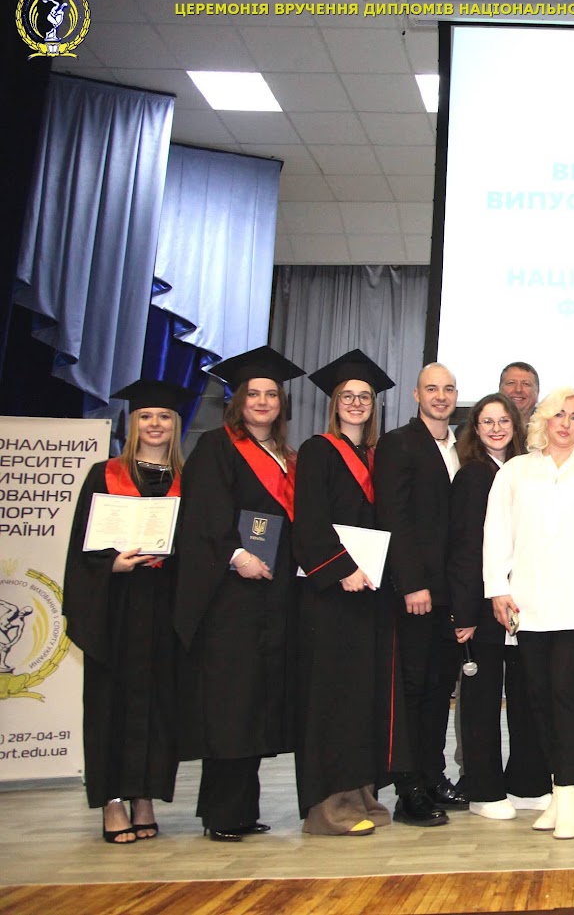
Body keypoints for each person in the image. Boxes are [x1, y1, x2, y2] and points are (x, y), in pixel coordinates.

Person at [174, 346, 305, 841]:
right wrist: (235, 555)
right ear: (238, 401)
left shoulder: (288, 458)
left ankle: (243, 808)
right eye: (254, 393)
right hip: (230, 598)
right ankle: (222, 813)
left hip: (273, 598)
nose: (264, 401)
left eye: (272, 394)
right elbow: (204, 515)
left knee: (255, 703)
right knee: (230, 703)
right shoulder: (217, 447)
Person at [485, 387, 574, 839]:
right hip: (527, 603)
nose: (566, 423)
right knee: (538, 700)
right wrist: (497, 588)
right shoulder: (515, 470)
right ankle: (557, 792)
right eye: (559, 415)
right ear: (543, 419)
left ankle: (568, 798)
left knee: (568, 695)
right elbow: (496, 533)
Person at [65, 379, 193, 843]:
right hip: (116, 608)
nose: (155, 424)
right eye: (146, 416)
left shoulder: (188, 479)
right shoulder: (104, 475)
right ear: (132, 422)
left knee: (161, 705)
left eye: (164, 417)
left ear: (175, 425)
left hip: (164, 605)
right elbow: (80, 547)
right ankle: (112, 801)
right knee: (110, 704)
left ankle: (145, 797)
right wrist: (111, 564)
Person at [292, 350, 406, 836]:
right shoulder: (318, 451)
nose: (357, 403)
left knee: (364, 697)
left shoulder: (377, 457)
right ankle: (327, 806)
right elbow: (309, 521)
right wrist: (341, 569)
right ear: (334, 403)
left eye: (364, 397)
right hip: (332, 596)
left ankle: (360, 793)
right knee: (332, 697)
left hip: (370, 595)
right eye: (348, 396)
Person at [447, 393, 551, 820]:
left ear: (516, 425)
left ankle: (527, 783)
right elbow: (465, 548)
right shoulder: (473, 476)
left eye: (503, 420)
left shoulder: (527, 472)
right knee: (483, 701)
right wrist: (465, 613)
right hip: (484, 606)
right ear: (475, 428)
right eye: (487, 421)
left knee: (527, 697)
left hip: (525, 605)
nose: (496, 428)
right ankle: (484, 790)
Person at [374, 362, 465, 826]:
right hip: (416, 592)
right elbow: (394, 516)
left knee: (438, 689)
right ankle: (407, 788)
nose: (441, 396)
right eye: (432, 388)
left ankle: (432, 776)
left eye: (448, 389)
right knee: (411, 690)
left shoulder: (461, 447)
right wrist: (411, 582)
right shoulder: (399, 443)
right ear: (416, 394)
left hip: (450, 593)